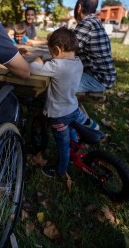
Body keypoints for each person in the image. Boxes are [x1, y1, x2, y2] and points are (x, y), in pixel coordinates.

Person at [30, 27, 99, 179]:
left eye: (51, 53)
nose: (51, 56)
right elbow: (61, 69)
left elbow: (34, 69)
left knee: (62, 145)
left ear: (57, 49)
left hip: (58, 115)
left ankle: (60, 169)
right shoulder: (78, 63)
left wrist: (38, 61)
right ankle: (95, 129)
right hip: (73, 107)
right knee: (78, 122)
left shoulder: (56, 66)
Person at [74, 0, 117, 92]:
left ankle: (71, 108)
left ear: (79, 7)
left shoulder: (87, 23)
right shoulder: (95, 22)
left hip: (97, 79)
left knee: (58, 82)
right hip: (104, 77)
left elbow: (66, 51)